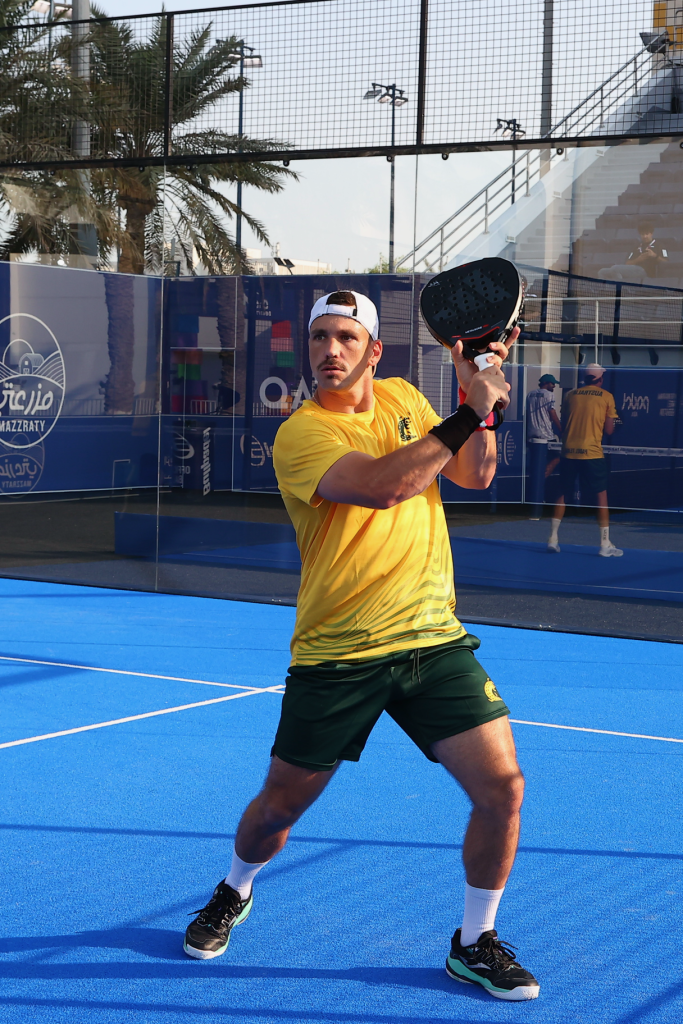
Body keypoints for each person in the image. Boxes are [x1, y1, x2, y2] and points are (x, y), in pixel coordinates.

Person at [183, 290, 540, 1002]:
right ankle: (235, 886)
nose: (329, 350)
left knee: (503, 789)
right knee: (278, 809)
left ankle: (474, 941)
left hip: (432, 638)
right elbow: (383, 487)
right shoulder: (301, 432)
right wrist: (467, 410)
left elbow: (474, 473)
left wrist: (479, 399)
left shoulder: (405, 397)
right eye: (319, 337)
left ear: (374, 351)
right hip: (337, 653)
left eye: (346, 337)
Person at [547, 362, 622, 557]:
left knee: (562, 493)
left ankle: (553, 538)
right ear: (600, 379)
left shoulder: (570, 395)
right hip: (592, 453)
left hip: (569, 452)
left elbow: (565, 422)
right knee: (601, 497)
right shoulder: (607, 396)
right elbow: (609, 430)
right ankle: (604, 544)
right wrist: (615, 421)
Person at [526, 373, 561, 518]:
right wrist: (562, 429)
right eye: (553, 384)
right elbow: (552, 413)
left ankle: (539, 482)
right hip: (546, 435)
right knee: (559, 456)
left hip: (531, 434)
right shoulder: (549, 395)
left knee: (536, 466)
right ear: (547, 383)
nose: (554, 386)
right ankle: (541, 481)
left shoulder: (530, 394)